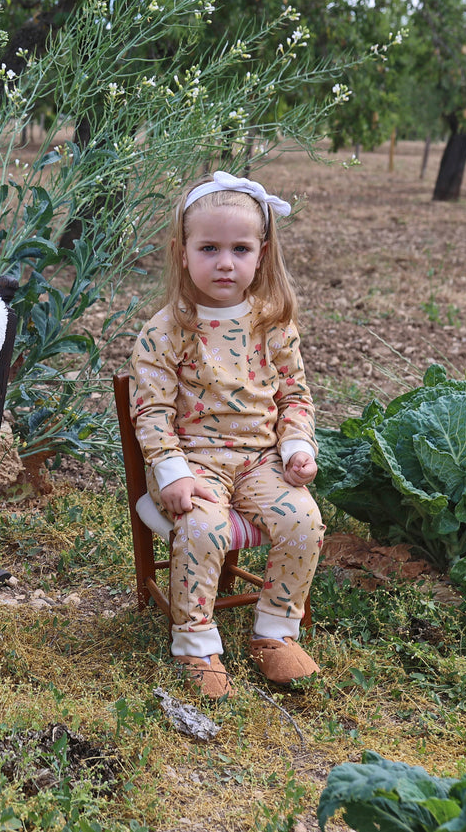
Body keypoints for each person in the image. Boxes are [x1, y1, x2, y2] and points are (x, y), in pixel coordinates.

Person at [129, 171, 324, 699]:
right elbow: (151, 412)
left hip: (261, 460)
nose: (224, 262)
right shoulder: (168, 330)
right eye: (209, 247)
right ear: (182, 251)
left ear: (261, 253)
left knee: (303, 520)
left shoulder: (273, 324)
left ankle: (275, 633)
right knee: (201, 528)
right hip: (193, 464)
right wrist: (171, 472)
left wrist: (297, 445)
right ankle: (195, 642)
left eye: (240, 248)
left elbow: (294, 396)